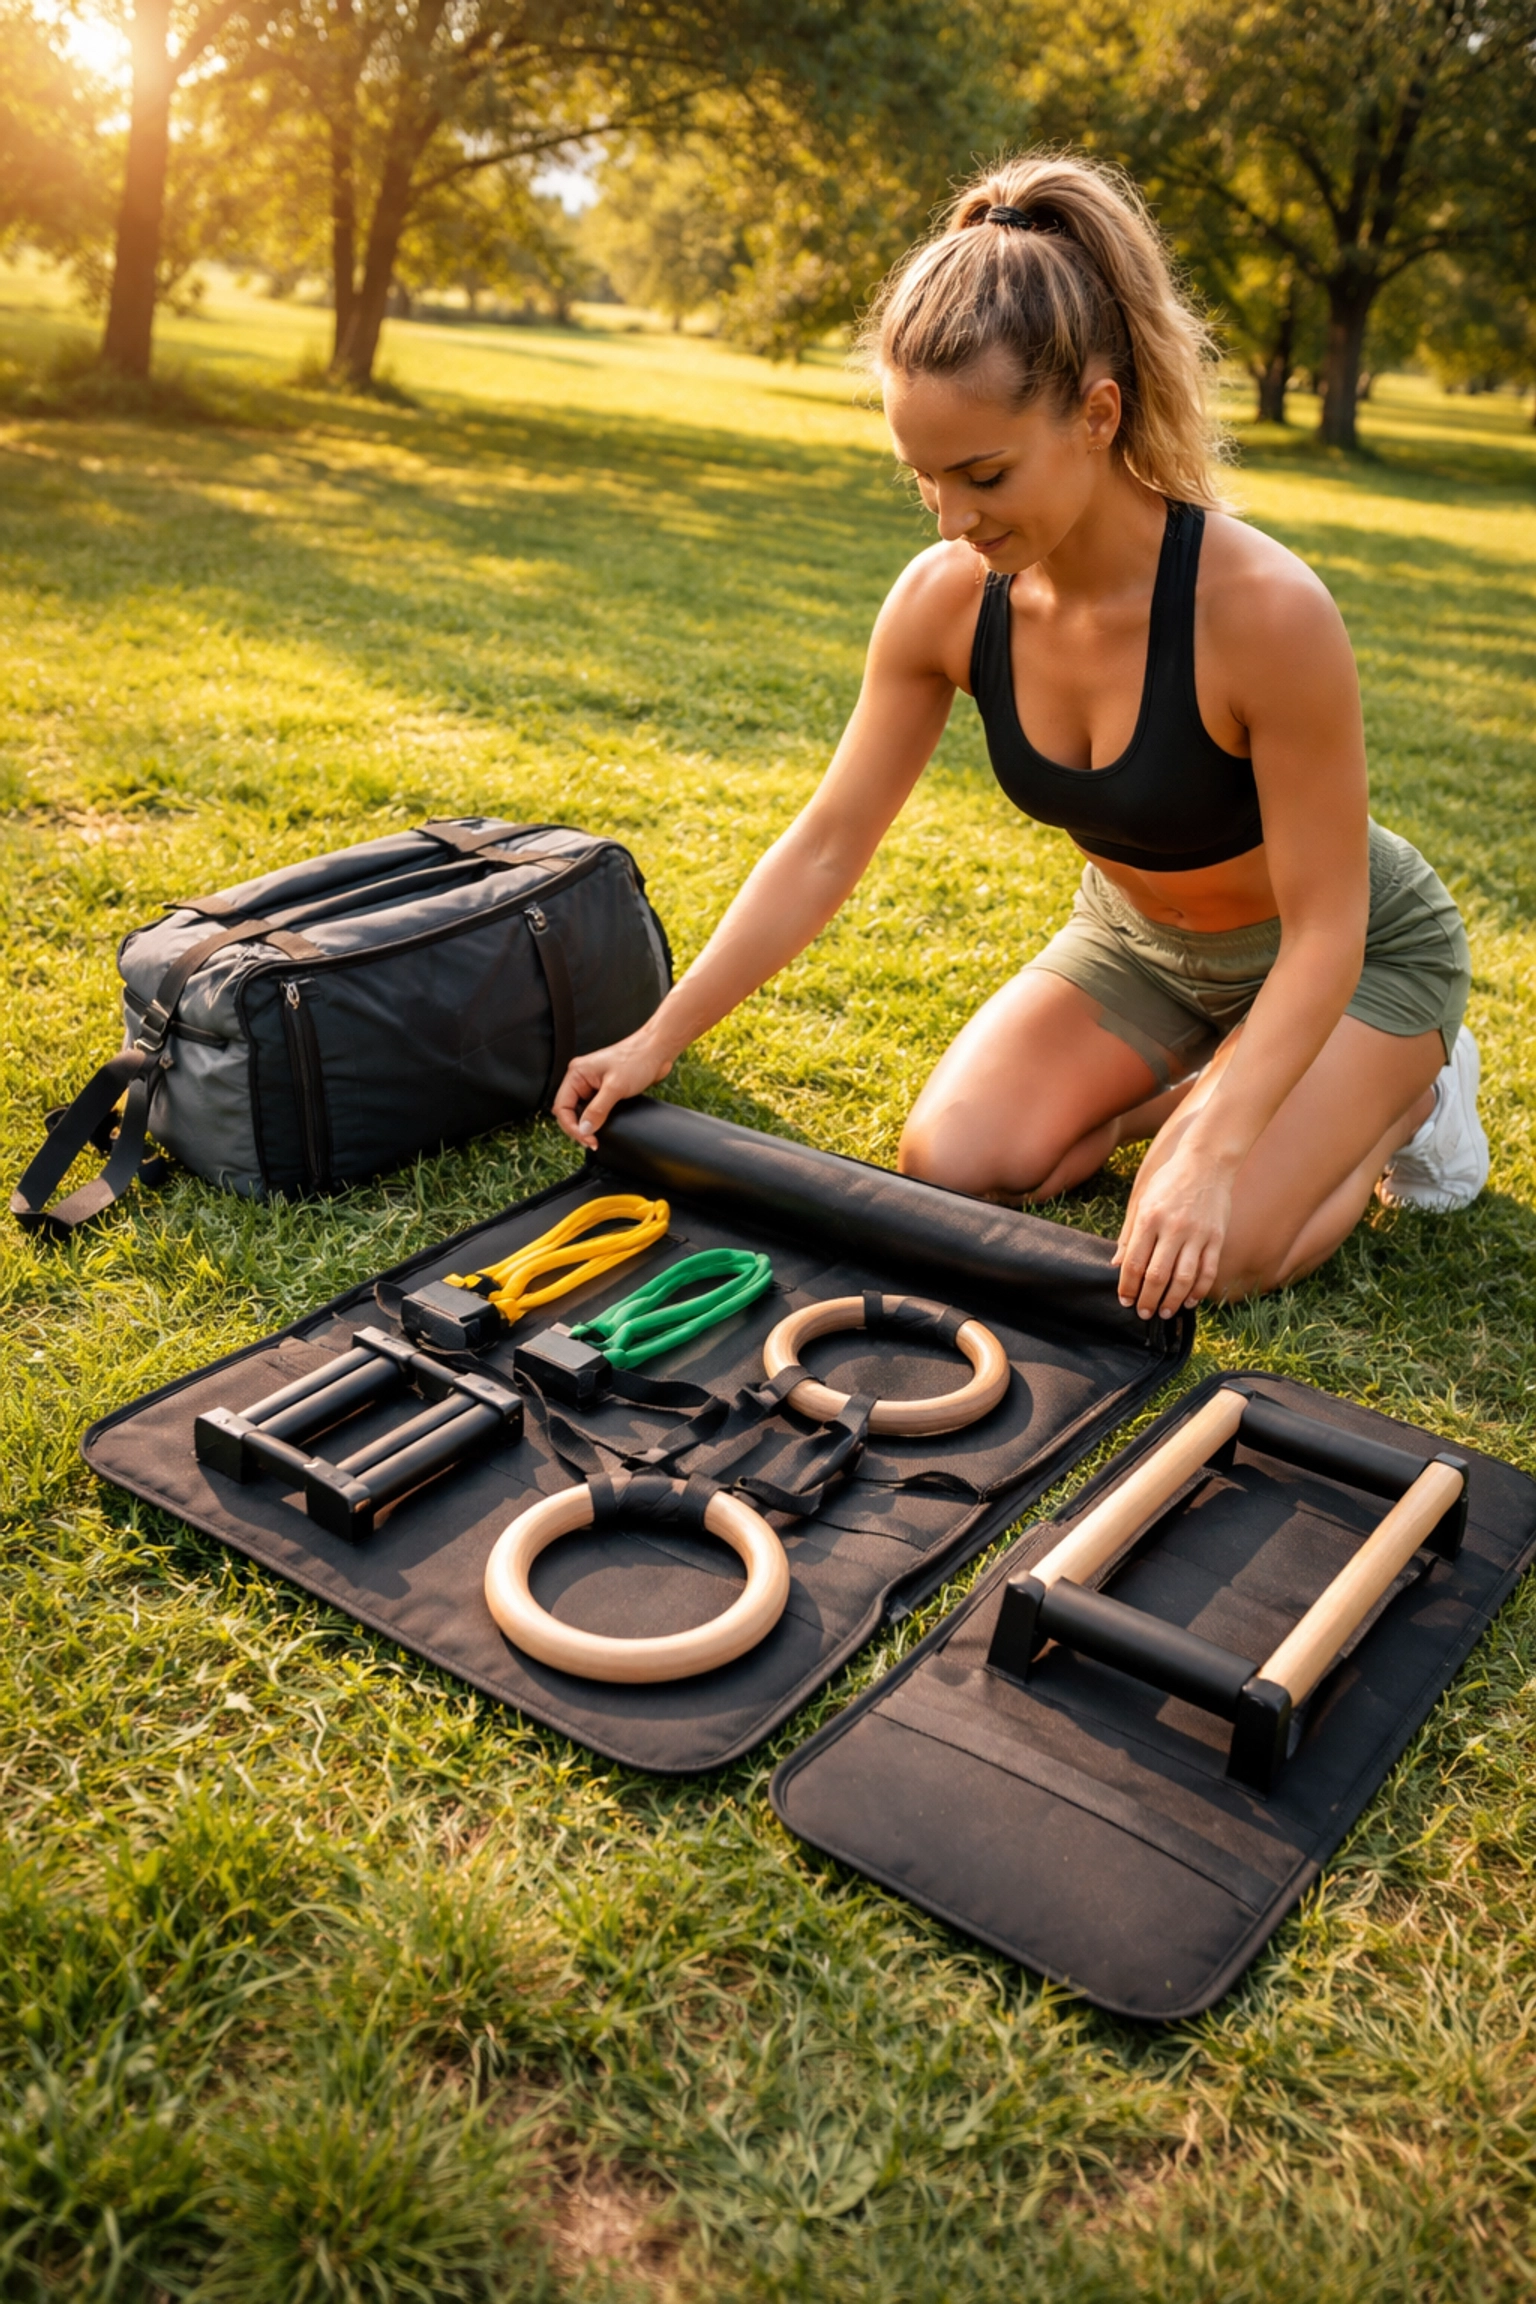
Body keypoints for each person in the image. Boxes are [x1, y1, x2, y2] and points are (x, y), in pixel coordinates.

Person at [553, 153, 1486, 1321]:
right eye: (924, 479)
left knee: (1211, 1248)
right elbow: (830, 842)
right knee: (955, 1164)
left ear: (1098, 415)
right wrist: (660, 1034)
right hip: (1139, 945)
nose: (953, 519)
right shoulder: (945, 599)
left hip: (1345, 957)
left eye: (984, 473)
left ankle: (1411, 1093)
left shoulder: (1262, 611)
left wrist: (1209, 1155)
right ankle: (1204, 1073)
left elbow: (1330, 928)